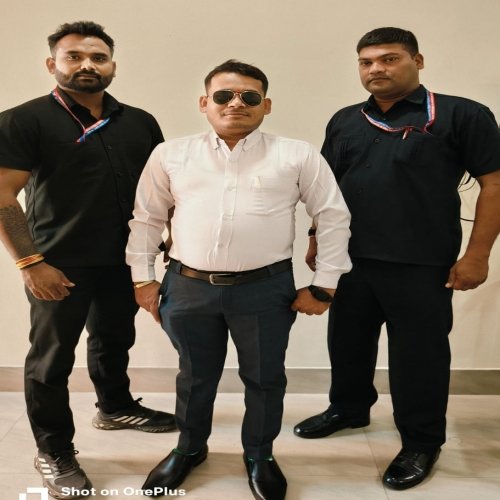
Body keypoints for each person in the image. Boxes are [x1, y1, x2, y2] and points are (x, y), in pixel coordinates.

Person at [125, 59, 352, 500]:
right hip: (187, 287)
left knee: (265, 378)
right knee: (194, 376)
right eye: (223, 95)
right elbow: (147, 219)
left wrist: (325, 283)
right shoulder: (170, 154)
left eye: (249, 96)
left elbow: (332, 216)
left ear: (266, 105)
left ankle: (260, 455)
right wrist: (142, 279)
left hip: (265, 289)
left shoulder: (297, 154)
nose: (236, 103)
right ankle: (189, 449)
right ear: (204, 102)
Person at [293, 27, 500, 490]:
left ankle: (422, 440)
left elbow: (494, 184)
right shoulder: (345, 120)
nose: (376, 69)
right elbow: (327, 191)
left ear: (417, 61)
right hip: (350, 260)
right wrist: (316, 239)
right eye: (366, 62)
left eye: (389, 59)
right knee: (347, 341)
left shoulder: (461, 114)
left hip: (421, 262)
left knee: (419, 356)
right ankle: (349, 408)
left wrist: (477, 255)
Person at [0, 21, 176, 499]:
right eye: (74, 56)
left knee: (114, 339)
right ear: (52, 64)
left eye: (98, 57)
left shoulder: (139, 122)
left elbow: (159, 191)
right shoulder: (24, 120)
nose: (87, 65)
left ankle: (115, 407)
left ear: (112, 65)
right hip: (58, 263)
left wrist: (167, 243)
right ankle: (54, 450)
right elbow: (3, 196)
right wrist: (31, 263)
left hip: (125, 259)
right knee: (51, 359)